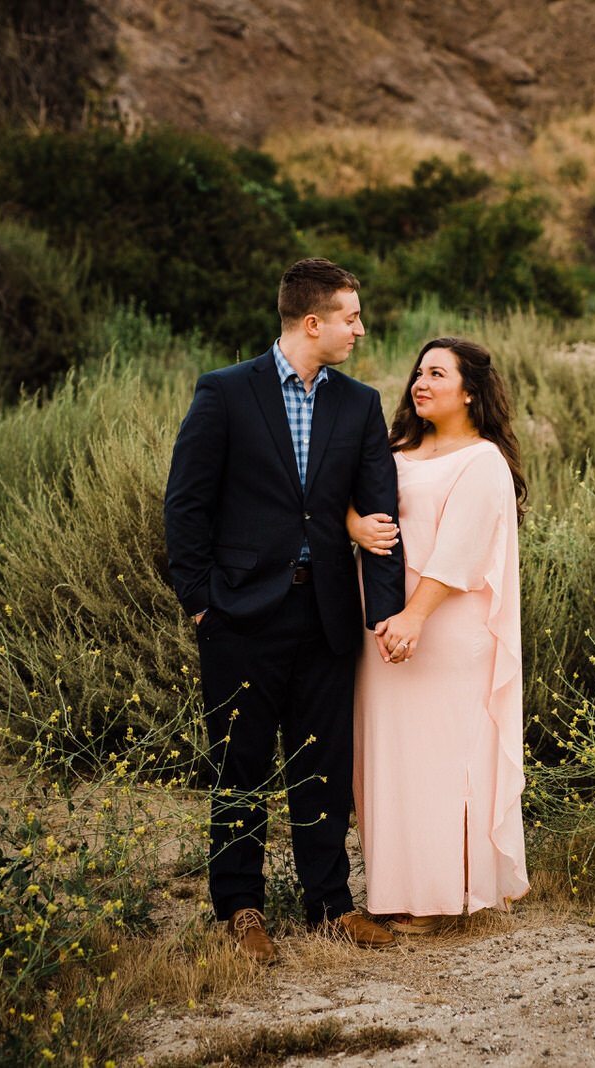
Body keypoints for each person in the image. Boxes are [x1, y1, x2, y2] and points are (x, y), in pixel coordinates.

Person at [164, 258, 405, 964]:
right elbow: (186, 506)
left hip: (327, 615)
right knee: (239, 766)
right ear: (312, 323)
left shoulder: (358, 404)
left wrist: (382, 616)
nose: (361, 329)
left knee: (323, 765)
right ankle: (240, 908)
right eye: (351, 317)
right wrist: (201, 605)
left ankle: (330, 905)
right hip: (239, 617)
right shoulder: (225, 393)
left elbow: (378, 513)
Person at [348, 336, 530, 931]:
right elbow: (347, 501)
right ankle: (398, 888)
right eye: (418, 372)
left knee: (441, 761)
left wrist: (414, 617)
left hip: (444, 631)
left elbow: (460, 552)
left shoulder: (482, 460)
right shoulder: (397, 447)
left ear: (470, 391)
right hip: (382, 628)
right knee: (391, 760)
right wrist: (354, 523)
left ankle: (440, 897)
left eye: (437, 374)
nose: (420, 383)